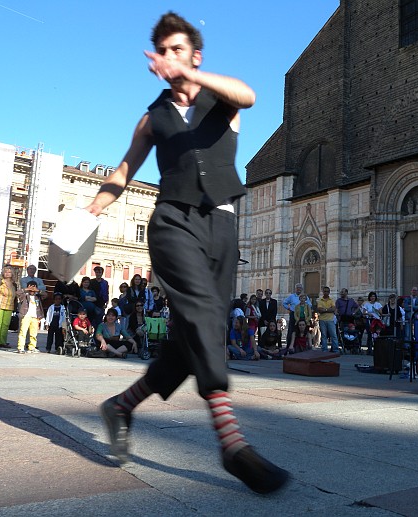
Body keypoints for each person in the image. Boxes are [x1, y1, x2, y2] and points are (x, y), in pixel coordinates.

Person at [87, 12, 288, 493]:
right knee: (203, 317)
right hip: (172, 221)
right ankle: (232, 445)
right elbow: (124, 169)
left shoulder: (223, 100)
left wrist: (193, 77)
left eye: (179, 50)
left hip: (222, 225)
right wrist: (95, 204)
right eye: (164, 51)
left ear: (195, 57)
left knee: (188, 343)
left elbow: (252, 96)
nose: (170, 58)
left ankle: (120, 407)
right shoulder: (150, 117)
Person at [15, 280, 44, 354]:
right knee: (23, 332)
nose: (32, 289)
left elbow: (45, 295)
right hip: (26, 316)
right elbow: (17, 293)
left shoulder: (37, 297)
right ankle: (20, 347)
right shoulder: (24, 296)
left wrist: (38, 290)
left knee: (34, 333)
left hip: (35, 316)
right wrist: (26, 289)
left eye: (34, 287)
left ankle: (32, 347)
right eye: (30, 287)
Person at [316, 286, 339, 353]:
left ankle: (335, 349)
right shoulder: (320, 301)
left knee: (333, 335)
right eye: (325, 291)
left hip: (330, 319)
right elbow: (320, 310)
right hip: (322, 320)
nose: (326, 292)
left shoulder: (331, 300)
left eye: (327, 291)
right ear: (323, 292)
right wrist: (329, 309)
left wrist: (325, 309)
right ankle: (324, 349)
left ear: (329, 292)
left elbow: (333, 309)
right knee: (324, 335)